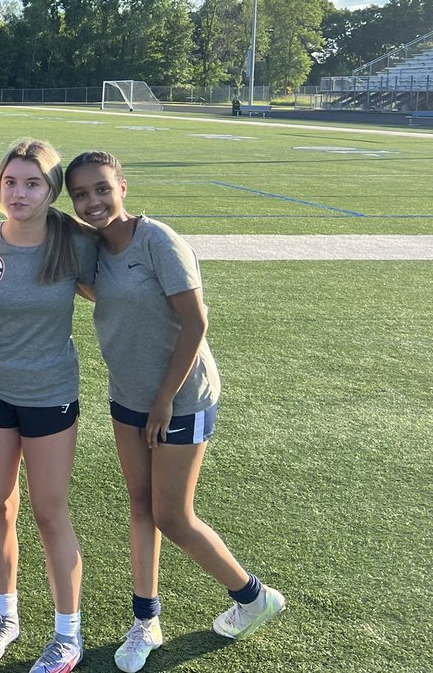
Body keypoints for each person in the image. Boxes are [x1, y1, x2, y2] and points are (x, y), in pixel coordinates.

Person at [64, 151, 286, 673]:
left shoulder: (156, 240)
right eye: (80, 194)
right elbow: (102, 293)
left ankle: (254, 597)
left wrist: (164, 399)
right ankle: (146, 621)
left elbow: (195, 322)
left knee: (173, 515)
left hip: (180, 398)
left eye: (101, 189)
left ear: (123, 185)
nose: (92, 202)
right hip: (128, 394)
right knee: (140, 504)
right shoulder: (93, 249)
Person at [0, 139, 96, 672]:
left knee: (49, 511)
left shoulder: (75, 243)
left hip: (51, 394)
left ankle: (68, 634)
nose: (19, 192)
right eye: (11, 182)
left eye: (32, 183)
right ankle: (6, 616)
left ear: (51, 189)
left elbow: (120, 293)